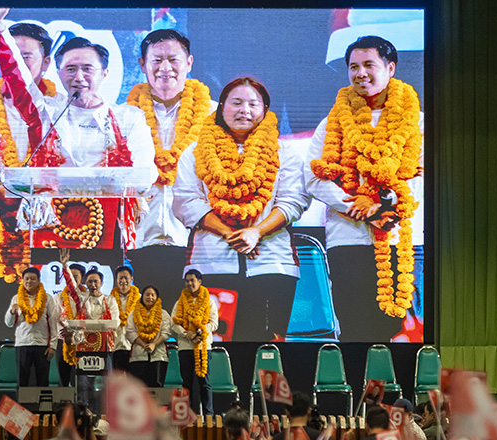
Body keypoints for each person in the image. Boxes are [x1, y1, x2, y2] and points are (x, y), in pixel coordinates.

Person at [0, 8, 156, 273]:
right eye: (71, 69)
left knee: (100, 309)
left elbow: (144, 176)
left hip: (106, 229)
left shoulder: (129, 117)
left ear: (105, 72)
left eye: (87, 69)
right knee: (52, 307)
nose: (78, 77)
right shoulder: (45, 112)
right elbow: (15, 76)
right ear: (59, 72)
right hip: (51, 226)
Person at [306, 36, 424, 342]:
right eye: (353, 66)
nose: (361, 73)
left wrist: (383, 206)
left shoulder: (418, 123)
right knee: (355, 329)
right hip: (347, 240)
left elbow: (422, 175)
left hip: (401, 238)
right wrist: (356, 208)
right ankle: (361, 390)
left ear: (390, 67)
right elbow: (314, 177)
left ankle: (398, 391)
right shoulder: (331, 124)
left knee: (403, 332)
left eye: (369, 64)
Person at [172, 77, 308, 341]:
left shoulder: (285, 152)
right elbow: (186, 201)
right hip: (210, 265)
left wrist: (256, 232)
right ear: (222, 107)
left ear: (265, 111)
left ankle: (265, 384)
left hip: (272, 264)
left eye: (253, 104)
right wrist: (229, 233)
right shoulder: (195, 151)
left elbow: (294, 200)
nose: (244, 110)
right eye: (236, 102)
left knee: (268, 346)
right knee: (210, 344)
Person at [0, 22, 57, 337]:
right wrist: (5, 195)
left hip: (45, 225)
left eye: (26, 57)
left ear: (46, 63)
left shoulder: (58, 108)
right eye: (9, 55)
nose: (16, 65)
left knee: (44, 318)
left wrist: (24, 196)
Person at [125, 29, 216, 302]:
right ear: (142, 64)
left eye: (173, 59)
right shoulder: (124, 116)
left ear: (189, 62)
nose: (165, 68)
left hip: (200, 240)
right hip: (142, 239)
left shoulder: (215, 115)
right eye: (157, 60)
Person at [60, 249, 120, 408]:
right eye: (90, 282)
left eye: (96, 282)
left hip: (104, 348)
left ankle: (107, 414)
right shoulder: (81, 300)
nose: (93, 285)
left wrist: (92, 325)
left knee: (107, 384)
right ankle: (84, 414)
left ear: (101, 283)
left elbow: (115, 323)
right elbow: (71, 287)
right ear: (85, 283)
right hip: (84, 348)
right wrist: (64, 265)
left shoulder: (110, 300)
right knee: (83, 384)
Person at [170, 270, 218, 415]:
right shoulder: (180, 302)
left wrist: (197, 332)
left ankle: (209, 416)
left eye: (192, 280)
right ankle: (186, 415)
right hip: (185, 347)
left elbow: (214, 324)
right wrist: (187, 334)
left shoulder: (209, 301)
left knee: (205, 383)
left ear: (199, 282)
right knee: (186, 384)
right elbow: (173, 323)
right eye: (187, 281)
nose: (189, 283)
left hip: (203, 346)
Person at [5, 267, 59, 387]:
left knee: (42, 380)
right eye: (27, 279)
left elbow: (53, 323)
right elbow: (8, 323)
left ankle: (42, 406)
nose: (29, 281)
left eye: (33, 279)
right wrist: (12, 312)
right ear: (23, 281)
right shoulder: (16, 298)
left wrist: (53, 346)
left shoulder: (47, 298)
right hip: (22, 344)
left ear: (39, 281)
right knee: (22, 381)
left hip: (42, 345)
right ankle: (21, 406)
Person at [125, 285, 172, 388]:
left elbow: (166, 333)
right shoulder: (133, 314)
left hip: (159, 356)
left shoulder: (164, 314)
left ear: (157, 297)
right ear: (142, 297)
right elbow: (130, 332)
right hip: (138, 357)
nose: (150, 297)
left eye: (152, 295)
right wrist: (144, 344)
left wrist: (154, 344)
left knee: (157, 388)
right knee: (139, 390)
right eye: (147, 294)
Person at [57, 263, 87, 387]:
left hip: (82, 340)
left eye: (75, 276)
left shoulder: (86, 297)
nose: (72, 280)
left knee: (79, 379)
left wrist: (74, 332)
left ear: (82, 279)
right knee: (63, 379)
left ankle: (80, 405)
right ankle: (63, 406)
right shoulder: (58, 297)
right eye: (69, 276)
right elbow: (55, 319)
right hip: (63, 340)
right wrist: (66, 333)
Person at [110, 266, 140, 371]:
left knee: (133, 380)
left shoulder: (140, 299)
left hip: (134, 346)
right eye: (120, 278)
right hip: (115, 346)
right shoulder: (109, 299)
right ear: (116, 280)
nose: (123, 281)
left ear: (131, 279)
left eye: (126, 278)